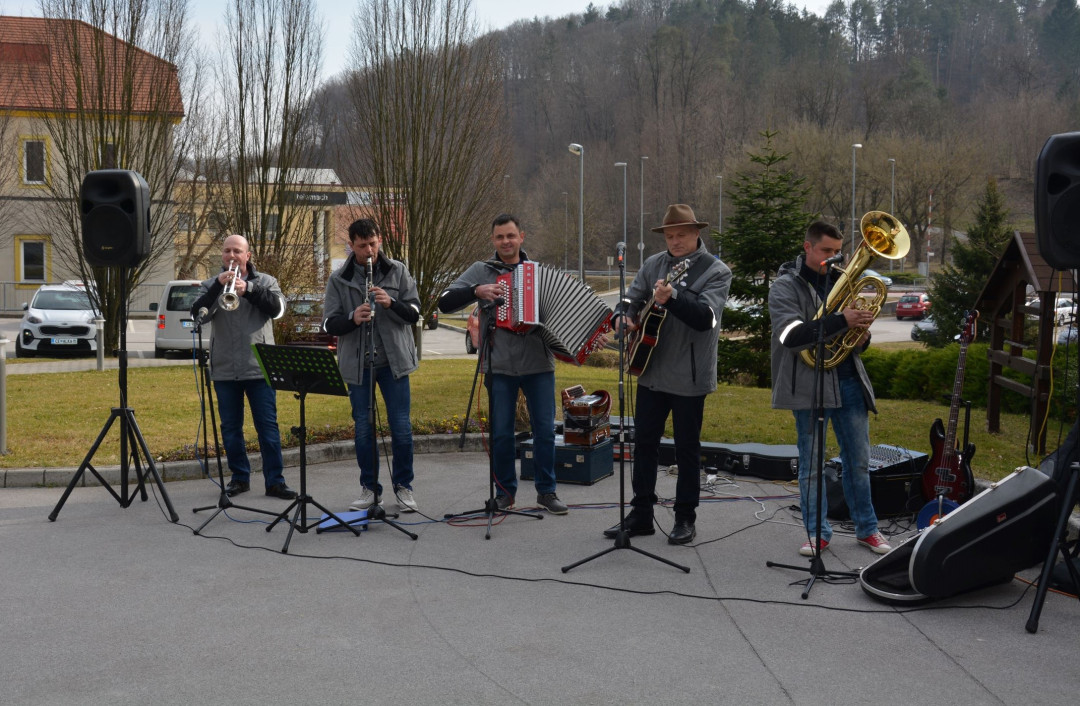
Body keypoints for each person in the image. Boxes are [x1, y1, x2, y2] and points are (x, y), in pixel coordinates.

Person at [603, 204, 731, 544]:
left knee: (687, 449)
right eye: (670, 236)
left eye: (682, 235)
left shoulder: (715, 271)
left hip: (690, 375)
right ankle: (641, 513)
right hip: (650, 368)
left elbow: (706, 318)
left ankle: (685, 517)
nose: (675, 241)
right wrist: (624, 317)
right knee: (643, 444)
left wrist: (672, 297)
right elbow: (631, 299)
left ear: (696, 233)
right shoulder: (654, 263)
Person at [768, 221, 892, 557]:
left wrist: (860, 338)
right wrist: (842, 322)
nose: (833, 259)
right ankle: (816, 533)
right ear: (807, 247)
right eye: (826, 251)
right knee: (811, 466)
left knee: (859, 461)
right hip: (809, 386)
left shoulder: (843, 281)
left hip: (848, 379)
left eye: (837, 252)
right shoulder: (784, 286)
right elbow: (790, 337)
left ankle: (868, 529)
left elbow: (852, 339)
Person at [437, 213, 569, 515]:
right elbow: (444, 301)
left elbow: (559, 313)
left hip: (539, 363)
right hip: (499, 364)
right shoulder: (481, 270)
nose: (506, 242)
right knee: (500, 432)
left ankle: (546, 492)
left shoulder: (538, 273)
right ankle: (505, 493)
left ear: (521, 237)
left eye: (511, 236)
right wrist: (475, 291)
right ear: (493, 240)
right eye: (500, 237)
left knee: (545, 431)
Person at [323, 218, 421, 513]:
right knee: (364, 429)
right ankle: (369, 489)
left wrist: (392, 303)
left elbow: (415, 312)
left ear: (380, 241)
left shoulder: (398, 271)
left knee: (401, 428)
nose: (369, 251)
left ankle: (404, 487)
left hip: (394, 363)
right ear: (351, 245)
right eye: (363, 245)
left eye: (373, 244)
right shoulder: (339, 278)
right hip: (358, 365)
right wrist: (352, 318)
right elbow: (329, 322)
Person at [191, 233, 296, 500]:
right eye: (227, 251)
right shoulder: (210, 285)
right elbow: (196, 315)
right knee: (230, 428)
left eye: (237, 251)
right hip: (225, 368)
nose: (232, 256)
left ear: (248, 256)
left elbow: (279, 310)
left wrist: (248, 290)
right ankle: (239, 478)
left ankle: (275, 481)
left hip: (259, 367)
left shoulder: (266, 282)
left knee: (267, 427)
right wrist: (218, 287)